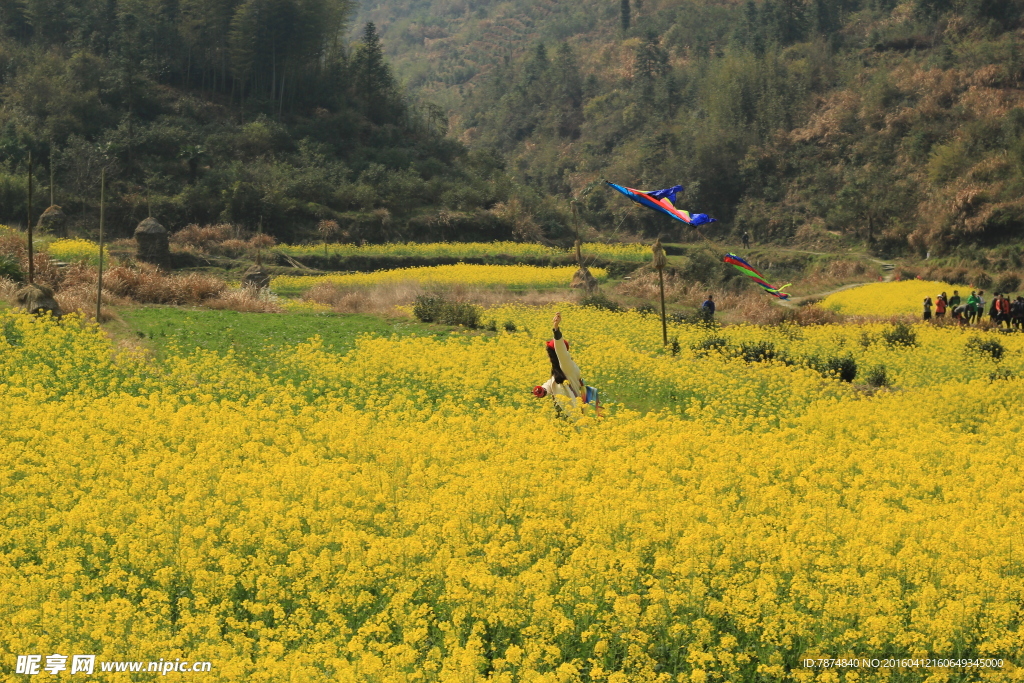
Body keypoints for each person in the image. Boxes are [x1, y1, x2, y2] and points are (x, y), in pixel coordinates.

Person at [532, 312, 585, 411]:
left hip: (575, 414)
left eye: (550, 353)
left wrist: (556, 329)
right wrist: (542, 390)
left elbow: (561, 351)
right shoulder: (559, 369)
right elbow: (553, 383)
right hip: (564, 414)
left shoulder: (567, 366)